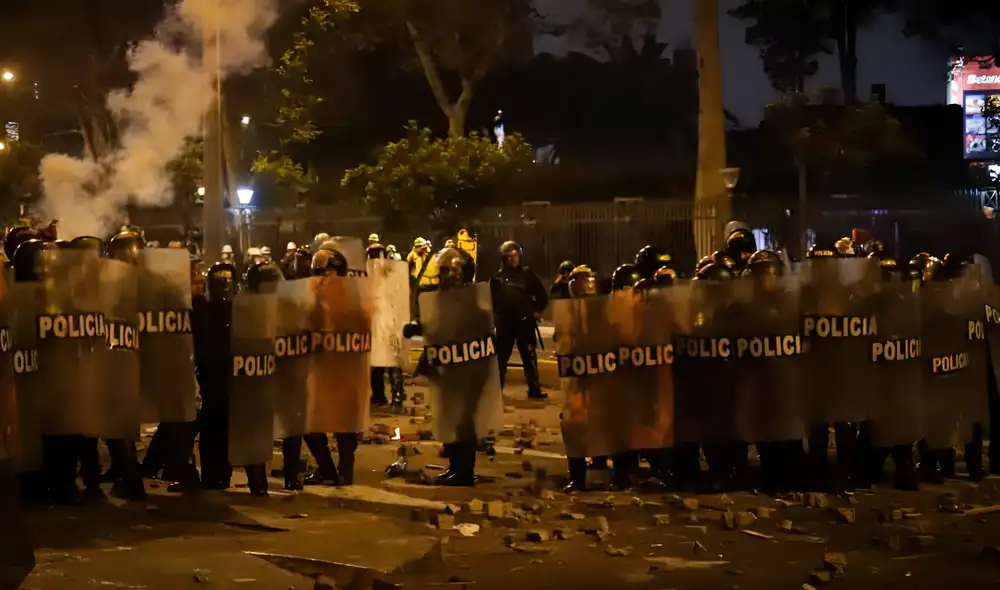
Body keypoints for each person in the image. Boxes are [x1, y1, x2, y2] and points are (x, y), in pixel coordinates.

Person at [282, 246, 360, 488]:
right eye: (319, 272)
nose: (324, 278)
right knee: (307, 418)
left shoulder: (352, 299)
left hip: (342, 365)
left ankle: (345, 470)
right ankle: (328, 469)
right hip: (315, 364)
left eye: (328, 273)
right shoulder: (309, 296)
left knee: (345, 420)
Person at [489, 241, 548, 401]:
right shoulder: (498, 279)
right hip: (505, 323)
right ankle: (496, 389)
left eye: (515, 255)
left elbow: (542, 295)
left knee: (529, 356)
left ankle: (534, 389)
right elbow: (490, 300)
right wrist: (494, 315)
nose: (512, 259)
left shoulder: (527, 275)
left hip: (525, 322)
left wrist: (535, 311)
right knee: (501, 358)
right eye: (509, 256)